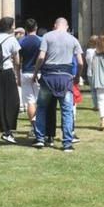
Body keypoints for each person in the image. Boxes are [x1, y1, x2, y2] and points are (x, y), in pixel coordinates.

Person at [32, 17, 83, 151]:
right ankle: (67, 143)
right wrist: (77, 76)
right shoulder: (73, 39)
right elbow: (80, 62)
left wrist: (35, 72)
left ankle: (40, 138)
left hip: (48, 77)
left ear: (55, 25)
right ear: (67, 27)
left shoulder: (47, 37)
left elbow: (41, 57)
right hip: (66, 78)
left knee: (42, 107)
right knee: (67, 111)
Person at [0, 16, 22, 147]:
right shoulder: (12, 39)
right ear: (10, 27)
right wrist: (18, 75)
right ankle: (7, 131)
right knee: (13, 102)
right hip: (6, 72)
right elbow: (17, 61)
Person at [17, 19, 43, 141]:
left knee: (30, 101)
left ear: (26, 29)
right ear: (36, 27)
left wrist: (18, 75)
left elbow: (17, 61)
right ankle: (41, 127)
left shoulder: (21, 41)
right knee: (40, 101)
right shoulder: (41, 40)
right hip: (39, 73)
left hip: (26, 71)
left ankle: (34, 127)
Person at [84, 34, 100, 111]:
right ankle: (101, 105)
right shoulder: (100, 50)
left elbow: (87, 61)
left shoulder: (88, 51)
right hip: (99, 72)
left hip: (90, 72)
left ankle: (96, 105)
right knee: (100, 90)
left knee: (93, 90)